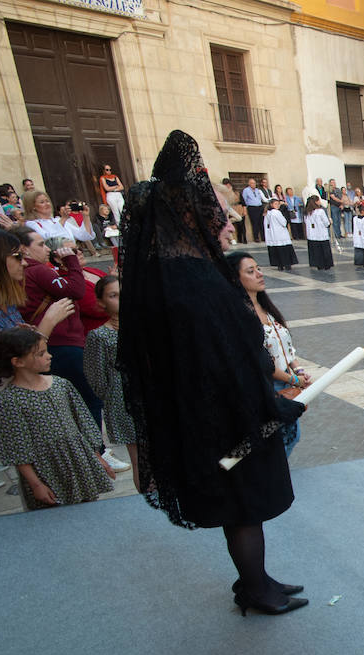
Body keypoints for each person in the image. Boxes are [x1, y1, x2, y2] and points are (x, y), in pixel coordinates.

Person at [119, 130, 308, 616]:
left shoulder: (183, 270)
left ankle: (256, 578)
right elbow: (223, 364)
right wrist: (273, 408)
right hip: (228, 424)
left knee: (243, 507)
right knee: (243, 506)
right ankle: (256, 589)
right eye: (217, 209)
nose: (225, 219)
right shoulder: (192, 281)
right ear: (190, 214)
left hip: (220, 418)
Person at [0, 227, 74, 489]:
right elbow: (14, 352)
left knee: (50, 467)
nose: (24, 263)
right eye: (17, 256)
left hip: (16, 385)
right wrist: (47, 322)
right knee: (41, 470)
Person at [0, 325, 115, 509]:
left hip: (78, 462)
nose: (49, 356)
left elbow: (84, 422)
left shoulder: (60, 385)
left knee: (88, 512)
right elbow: (16, 448)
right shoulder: (8, 400)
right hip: (46, 471)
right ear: (18, 362)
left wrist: (97, 457)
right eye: (40, 354)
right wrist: (36, 484)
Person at [11, 226, 105, 435]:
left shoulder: (31, 273)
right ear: (24, 249)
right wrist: (71, 263)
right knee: (88, 397)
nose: (46, 249)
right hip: (63, 343)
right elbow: (77, 291)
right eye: (40, 244)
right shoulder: (37, 270)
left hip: (55, 341)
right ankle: (97, 450)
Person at [229, 252, 309, 457]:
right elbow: (261, 361)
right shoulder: (241, 315)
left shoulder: (267, 308)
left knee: (291, 435)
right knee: (279, 440)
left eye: (258, 269)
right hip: (267, 386)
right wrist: (294, 379)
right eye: (250, 271)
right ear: (236, 278)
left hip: (286, 382)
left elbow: (286, 347)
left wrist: (298, 371)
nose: (259, 274)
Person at [82, 275, 140, 488]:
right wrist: (116, 395)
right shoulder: (99, 336)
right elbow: (96, 378)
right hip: (124, 402)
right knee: (139, 458)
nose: (121, 300)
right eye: (113, 296)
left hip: (153, 395)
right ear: (101, 302)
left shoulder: (143, 327)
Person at [262, 199, 297, 271]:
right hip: (281, 234)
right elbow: (283, 223)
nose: (277, 205)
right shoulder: (277, 212)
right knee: (285, 250)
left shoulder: (267, 213)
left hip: (272, 235)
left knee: (276, 251)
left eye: (278, 204)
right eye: (275, 204)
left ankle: (279, 265)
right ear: (271, 205)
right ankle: (287, 264)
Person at [304, 196, 334, 271]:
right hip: (321, 235)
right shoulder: (320, 211)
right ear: (316, 202)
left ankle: (319, 265)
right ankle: (326, 265)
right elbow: (326, 223)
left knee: (316, 252)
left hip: (312, 236)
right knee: (324, 251)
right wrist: (330, 221)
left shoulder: (307, 212)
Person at [241, 178, 267, 243]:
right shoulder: (246, 190)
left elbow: (260, 198)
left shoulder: (257, 190)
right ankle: (256, 238)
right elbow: (244, 199)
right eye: (252, 183)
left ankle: (263, 237)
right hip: (252, 207)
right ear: (249, 184)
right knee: (255, 223)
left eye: (254, 183)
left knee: (261, 223)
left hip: (259, 207)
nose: (254, 184)